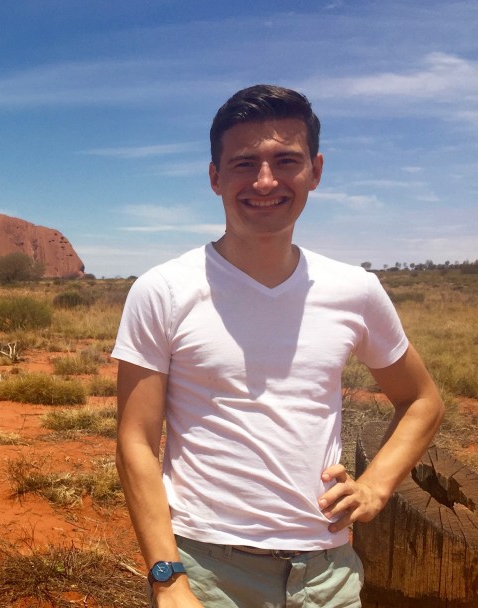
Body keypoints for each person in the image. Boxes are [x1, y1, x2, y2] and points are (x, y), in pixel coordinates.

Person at [112, 84, 445, 608]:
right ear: (215, 178)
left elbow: (423, 400)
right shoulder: (165, 289)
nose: (265, 181)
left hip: (326, 575)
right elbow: (135, 441)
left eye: (285, 160)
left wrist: (377, 485)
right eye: (244, 164)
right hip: (207, 570)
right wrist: (167, 577)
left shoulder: (354, 290)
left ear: (315, 170)